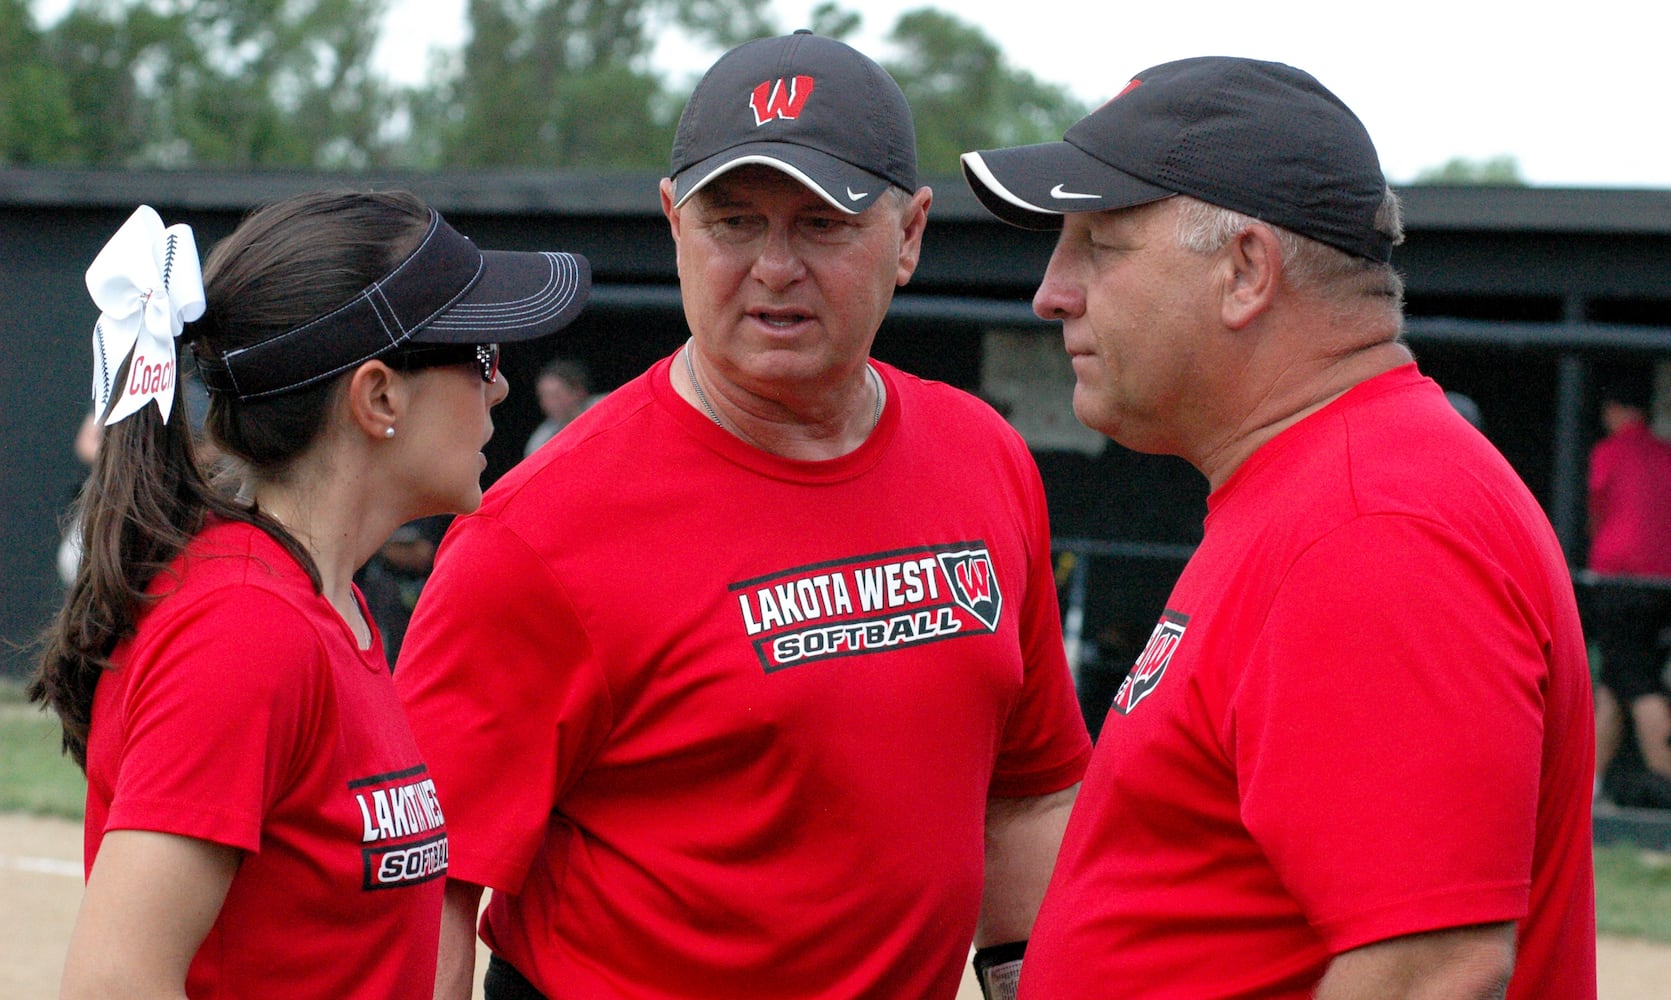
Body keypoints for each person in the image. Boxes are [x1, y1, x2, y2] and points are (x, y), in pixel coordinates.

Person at [395, 31, 1092, 1000]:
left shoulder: (984, 458)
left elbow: (1028, 794)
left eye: (822, 223)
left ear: (911, 234)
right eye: (733, 222)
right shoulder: (538, 532)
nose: (774, 266)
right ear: (674, 222)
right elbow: (424, 879)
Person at [962, 56, 1594, 997]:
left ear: (1245, 271)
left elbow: (1428, 971)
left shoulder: (1370, 524)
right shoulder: (1329, 488)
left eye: (1098, 242)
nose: (1052, 292)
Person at [28, 191, 590, 998]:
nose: (499, 388)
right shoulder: (245, 629)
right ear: (378, 397)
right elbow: (113, 983)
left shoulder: (322, 604)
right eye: (481, 355)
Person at [1586, 364, 1671, 805]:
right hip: (1661, 586)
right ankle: (1592, 788)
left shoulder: (1609, 452)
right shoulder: (1664, 454)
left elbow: (1596, 513)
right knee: (1614, 685)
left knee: (1639, 685)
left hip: (1620, 585)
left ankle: (1664, 784)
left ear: (1617, 410)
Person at [522, 357, 592, 456]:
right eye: (544, 397)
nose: (550, 403)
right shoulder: (540, 441)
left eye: (556, 395)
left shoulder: (607, 408)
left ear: (578, 391)